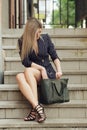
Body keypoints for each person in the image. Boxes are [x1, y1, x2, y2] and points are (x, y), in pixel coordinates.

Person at [16, 17, 62, 123]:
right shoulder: (22, 41)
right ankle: (38, 107)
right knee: (19, 76)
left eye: (40, 32)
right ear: (31, 31)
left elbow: (54, 56)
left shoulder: (45, 38)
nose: (39, 35)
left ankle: (34, 110)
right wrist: (41, 68)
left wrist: (59, 70)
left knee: (27, 71)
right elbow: (25, 61)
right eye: (37, 32)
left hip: (47, 73)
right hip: (36, 71)